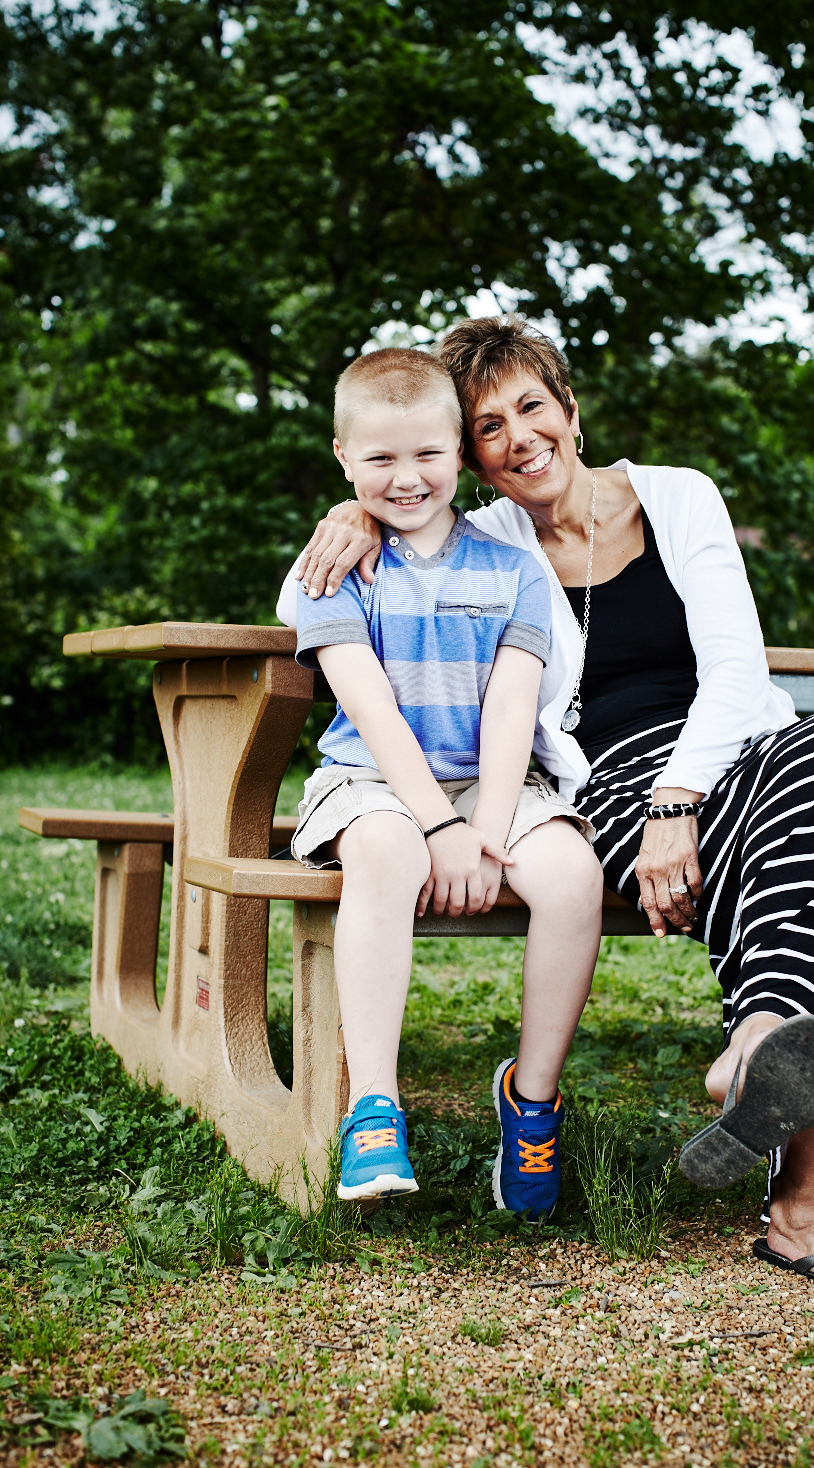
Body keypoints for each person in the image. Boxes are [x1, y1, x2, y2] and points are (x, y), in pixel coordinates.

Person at [285, 316, 814, 1300]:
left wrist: (685, 794)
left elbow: (735, 671)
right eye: (488, 427)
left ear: (570, 409)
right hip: (614, 780)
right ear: (470, 454)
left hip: (737, 750)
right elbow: (398, 491)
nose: (517, 438)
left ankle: (768, 1032)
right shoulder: (490, 540)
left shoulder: (678, 496)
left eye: (531, 408)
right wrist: (349, 514)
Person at [277, 346, 603, 1218]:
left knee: (573, 875)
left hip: (487, 785)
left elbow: (511, 708)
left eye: (428, 453)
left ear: (461, 452)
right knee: (384, 851)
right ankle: (372, 1105)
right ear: (344, 460)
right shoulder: (338, 569)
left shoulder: (514, 570)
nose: (407, 476)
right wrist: (439, 828)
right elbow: (371, 708)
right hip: (373, 782)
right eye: (379, 458)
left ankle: (532, 1103)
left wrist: (487, 828)